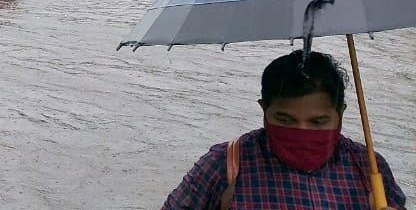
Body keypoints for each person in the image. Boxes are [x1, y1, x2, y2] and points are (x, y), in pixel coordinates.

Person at [162, 50, 406, 210]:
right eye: (285, 119)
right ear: (264, 109)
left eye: (318, 122)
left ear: (340, 113)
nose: (302, 131)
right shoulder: (225, 165)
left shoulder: (368, 167)